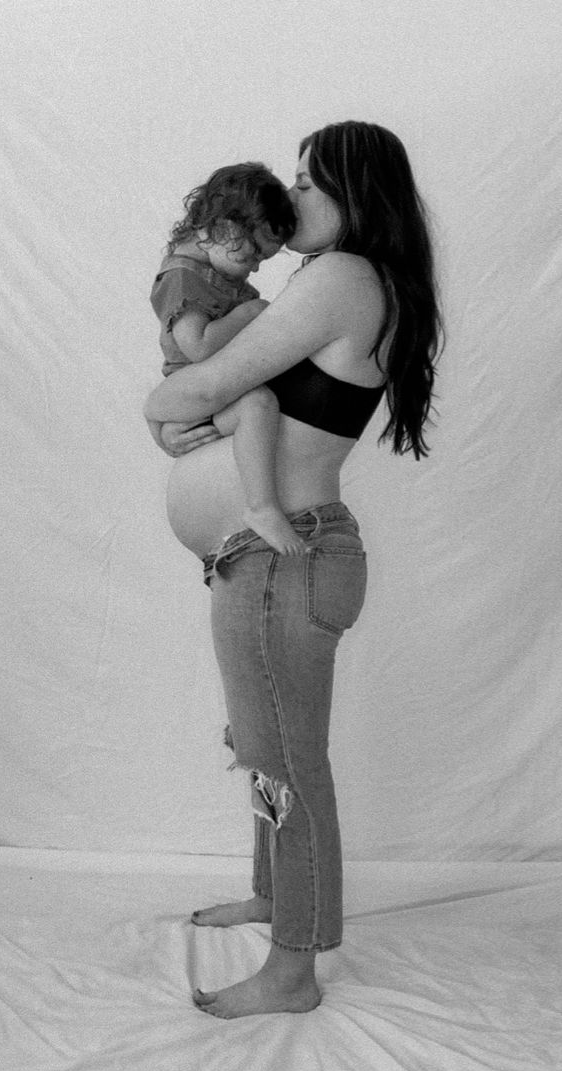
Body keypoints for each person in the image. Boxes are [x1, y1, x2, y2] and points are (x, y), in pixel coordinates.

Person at [145, 120, 443, 1019]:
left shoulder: (341, 277)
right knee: (264, 750)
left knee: (288, 760)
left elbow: (196, 385)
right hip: (264, 559)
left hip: (285, 556)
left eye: (312, 181)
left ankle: (292, 970)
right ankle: (276, 898)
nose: (293, 194)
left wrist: (158, 407)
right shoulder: (355, 284)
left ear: (357, 194)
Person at [149, 163, 306, 555]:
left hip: (211, 391)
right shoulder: (183, 276)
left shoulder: (216, 271)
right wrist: (246, 316)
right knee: (259, 404)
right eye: (253, 255)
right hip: (192, 387)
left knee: (261, 407)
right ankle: (262, 507)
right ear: (225, 228)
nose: (254, 268)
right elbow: (197, 346)